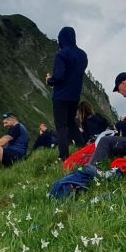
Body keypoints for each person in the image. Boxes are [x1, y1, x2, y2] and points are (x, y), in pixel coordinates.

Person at [45, 27, 88, 161]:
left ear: (62, 39)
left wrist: (49, 80)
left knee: (61, 126)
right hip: (75, 96)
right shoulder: (82, 55)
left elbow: (59, 76)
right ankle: (83, 148)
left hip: (61, 96)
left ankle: (63, 157)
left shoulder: (62, 54)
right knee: (71, 122)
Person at [0, 113, 29, 181]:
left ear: (12, 120)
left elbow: (1, 143)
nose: (4, 125)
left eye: (6, 122)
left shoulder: (17, 127)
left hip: (17, 156)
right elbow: (1, 140)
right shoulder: (15, 127)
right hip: (14, 154)